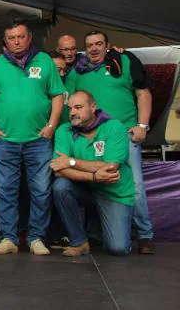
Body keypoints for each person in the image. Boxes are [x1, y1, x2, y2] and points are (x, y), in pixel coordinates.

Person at [65, 30, 155, 254]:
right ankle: (96, 234)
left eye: (98, 44)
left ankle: (145, 235)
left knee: (134, 186)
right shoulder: (78, 71)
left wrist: (142, 126)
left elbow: (143, 93)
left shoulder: (123, 61)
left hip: (125, 135)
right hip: (90, 138)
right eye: (89, 45)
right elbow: (68, 102)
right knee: (97, 184)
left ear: (108, 45)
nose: (94, 48)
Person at [0, 19, 65, 255]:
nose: (16, 41)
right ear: (5, 41)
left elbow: (58, 95)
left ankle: (36, 237)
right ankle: (9, 238)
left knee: (41, 190)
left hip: (38, 140)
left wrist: (52, 125)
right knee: (6, 190)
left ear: (29, 38)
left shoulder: (45, 60)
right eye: (11, 38)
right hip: (6, 140)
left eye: (20, 36)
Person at [51, 91, 135, 256]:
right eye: (70, 109)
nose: (73, 112)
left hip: (113, 192)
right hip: (85, 188)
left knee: (118, 249)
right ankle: (79, 242)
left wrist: (72, 162)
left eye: (78, 107)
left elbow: (111, 167)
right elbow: (59, 170)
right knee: (60, 187)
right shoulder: (64, 130)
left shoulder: (114, 127)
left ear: (93, 107)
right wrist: (94, 176)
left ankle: (105, 227)